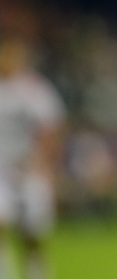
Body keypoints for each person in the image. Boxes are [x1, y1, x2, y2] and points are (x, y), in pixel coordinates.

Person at [0, 35, 66, 279]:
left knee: (34, 234)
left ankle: (37, 274)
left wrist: (44, 164)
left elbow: (51, 128)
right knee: (1, 221)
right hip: (1, 169)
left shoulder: (35, 89)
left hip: (30, 169)